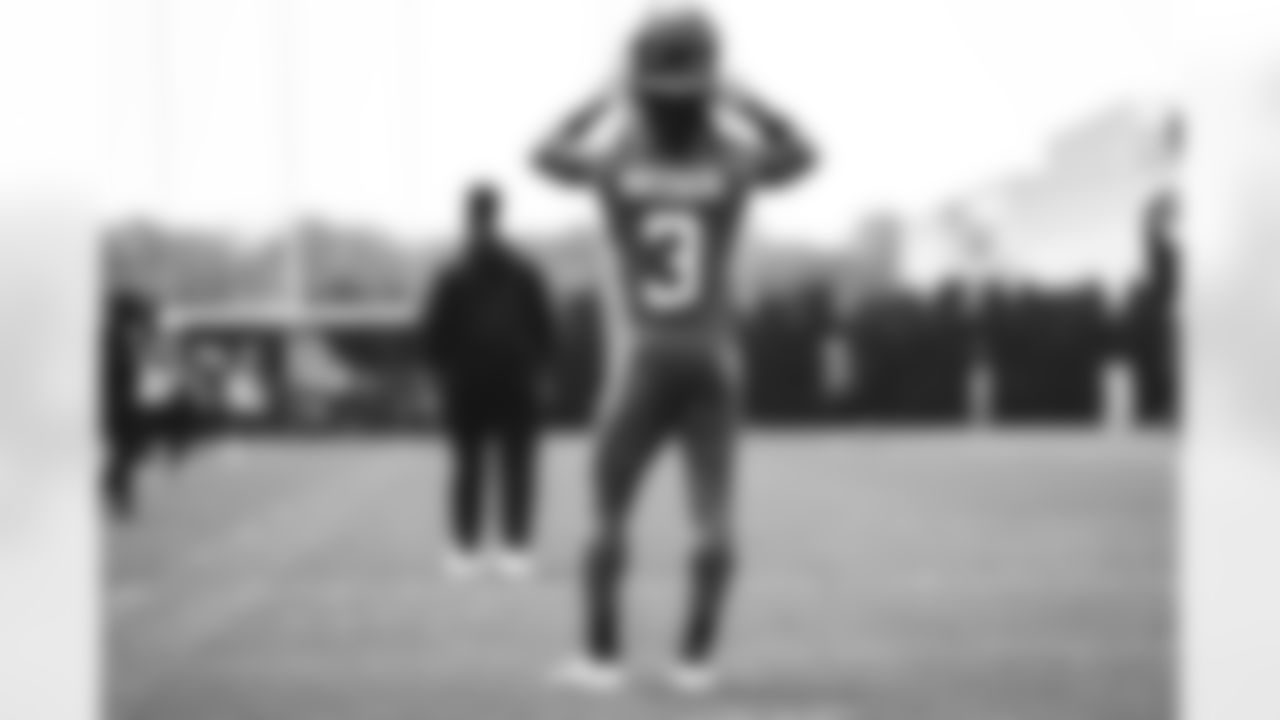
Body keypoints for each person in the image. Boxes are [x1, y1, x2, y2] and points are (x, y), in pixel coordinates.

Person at [531, 7, 816, 693]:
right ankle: (695, 660)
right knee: (712, 515)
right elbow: (802, 155)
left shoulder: (619, 158)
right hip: (714, 352)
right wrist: (745, 97)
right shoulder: (731, 159)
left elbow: (545, 154)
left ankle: (602, 658)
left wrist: (601, 95)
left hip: (646, 354)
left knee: (608, 511)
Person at [418, 183, 558, 581]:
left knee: (475, 467)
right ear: (497, 215)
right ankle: (511, 549)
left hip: (474, 382)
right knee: (508, 468)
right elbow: (545, 328)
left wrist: (436, 377)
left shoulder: (454, 271)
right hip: (508, 380)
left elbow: (433, 335)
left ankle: (472, 550)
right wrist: (544, 371)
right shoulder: (520, 269)